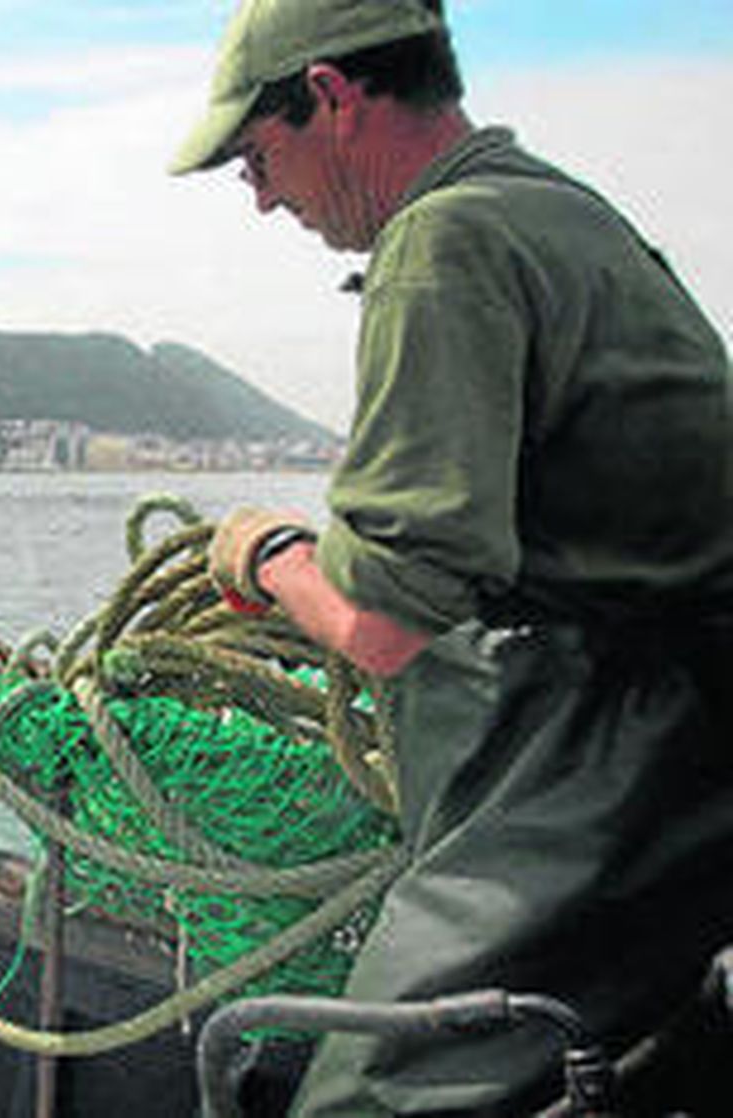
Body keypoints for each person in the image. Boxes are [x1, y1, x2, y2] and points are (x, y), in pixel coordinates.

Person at [170, 0, 733, 1113]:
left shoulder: (442, 243)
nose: (262, 196)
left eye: (256, 158)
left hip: (600, 777)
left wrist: (263, 552)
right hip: (684, 775)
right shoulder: (561, 212)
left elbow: (383, 625)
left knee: (371, 1101)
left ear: (331, 96)